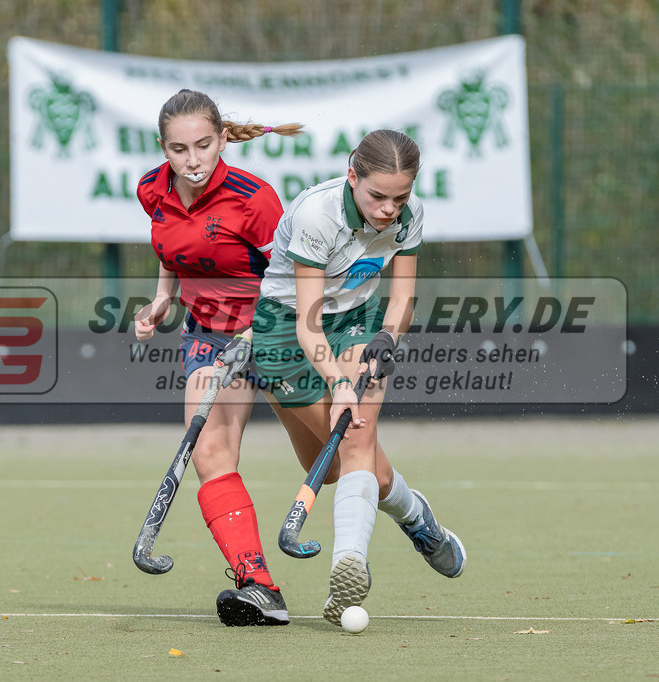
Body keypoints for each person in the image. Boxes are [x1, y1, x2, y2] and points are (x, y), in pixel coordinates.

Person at [250, 130, 467, 626]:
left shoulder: (409, 216)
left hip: (355, 322)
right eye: (378, 197)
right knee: (339, 470)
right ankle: (417, 517)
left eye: (400, 198)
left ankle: (347, 564)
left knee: (357, 439)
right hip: (287, 329)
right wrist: (339, 382)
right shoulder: (317, 215)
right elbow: (308, 323)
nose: (389, 210)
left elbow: (402, 298)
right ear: (353, 176)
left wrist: (388, 336)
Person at [133, 89, 302, 627]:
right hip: (207, 335)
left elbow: (296, 278)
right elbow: (172, 252)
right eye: (179, 149)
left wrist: (260, 331)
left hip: (275, 335)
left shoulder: (254, 200)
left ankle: (411, 514)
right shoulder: (152, 189)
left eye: (203, 145)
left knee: (341, 463)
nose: (193, 160)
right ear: (163, 148)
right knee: (210, 452)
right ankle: (258, 585)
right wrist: (162, 300)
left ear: (223, 139)